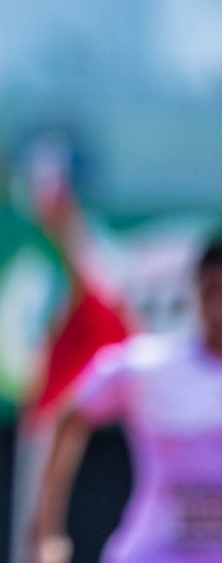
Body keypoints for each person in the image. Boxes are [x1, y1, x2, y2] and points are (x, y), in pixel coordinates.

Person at [27, 236, 222, 563]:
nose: (219, 307)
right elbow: (69, 420)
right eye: (212, 290)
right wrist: (46, 534)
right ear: (195, 291)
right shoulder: (148, 368)